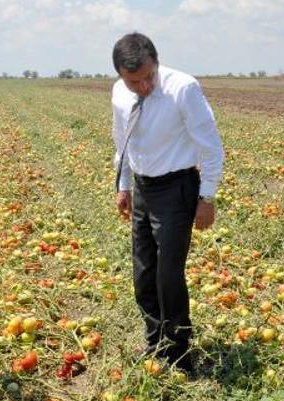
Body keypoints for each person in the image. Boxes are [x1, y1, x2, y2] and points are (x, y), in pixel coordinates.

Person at [111, 33, 224, 372]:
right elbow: (123, 143)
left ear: (156, 63)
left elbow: (211, 146)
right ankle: (154, 339)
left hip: (177, 189)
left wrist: (207, 197)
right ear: (119, 74)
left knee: (168, 274)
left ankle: (178, 351)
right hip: (143, 189)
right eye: (135, 81)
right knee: (143, 271)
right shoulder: (119, 93)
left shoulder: (183, 88)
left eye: (149, 76)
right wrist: (124, 184)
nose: (144, 85)